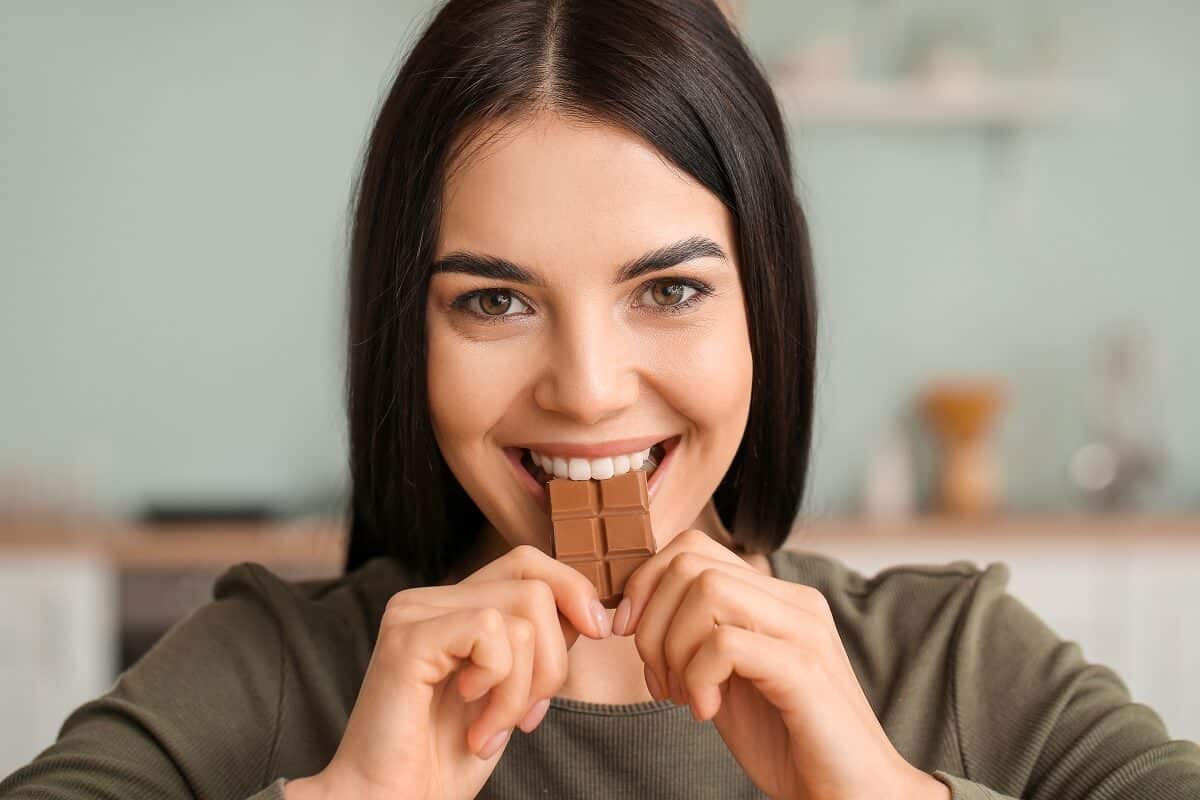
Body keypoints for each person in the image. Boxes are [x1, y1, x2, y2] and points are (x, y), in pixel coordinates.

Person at [4, 1, 1199, 798]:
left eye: (668, 288)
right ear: (404, 332)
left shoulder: (953, 664)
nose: (586, 392)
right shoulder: (276, 671)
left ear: (764, 308)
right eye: (494, 302)